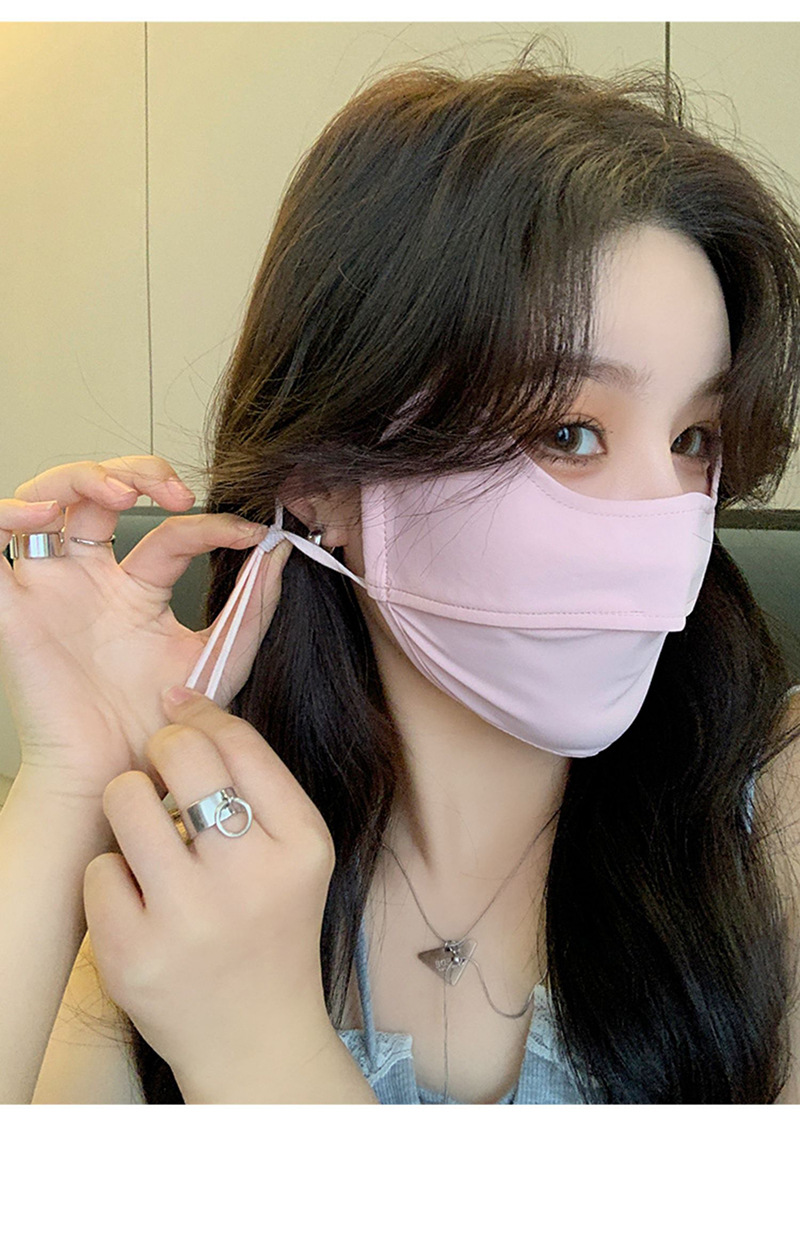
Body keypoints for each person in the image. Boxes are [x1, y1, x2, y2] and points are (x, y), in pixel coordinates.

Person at [2, 46, 800, 1105]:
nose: (664, 519)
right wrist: (74, 779)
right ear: (323, 478)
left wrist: (260, 1049)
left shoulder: (771, 812)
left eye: (694, 439)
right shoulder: (197, 839)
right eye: (568, 430)